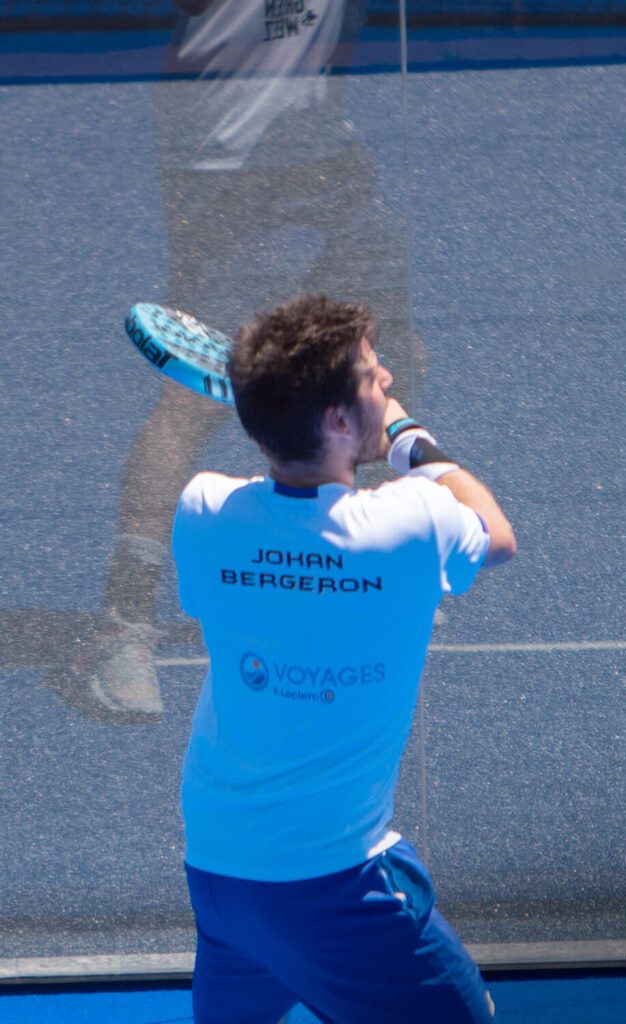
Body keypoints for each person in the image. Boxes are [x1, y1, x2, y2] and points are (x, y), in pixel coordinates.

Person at [172, 294, 515, 1023]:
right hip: (335, 886)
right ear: (334, 419)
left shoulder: (203, 511)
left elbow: (276, 527)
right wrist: (406, 437)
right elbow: (497, 534)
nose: (387, 378)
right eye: (371, 374)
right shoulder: (414, 523)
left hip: (220, 869)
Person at [79, 0, 414, 721]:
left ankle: (379, 567)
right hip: (227, 165)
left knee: (389, 360)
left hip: (327, 154)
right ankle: (122, 627)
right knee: (196, 397)